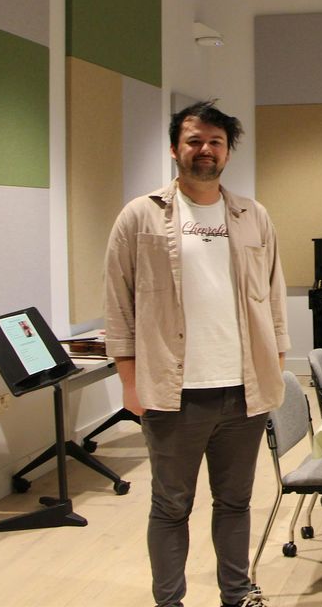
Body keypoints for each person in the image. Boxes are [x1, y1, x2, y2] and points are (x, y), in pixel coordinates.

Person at [104, 100, 289, 607]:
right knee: (171, 507)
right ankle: (170, 602)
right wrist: (129, 382)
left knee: (235, 502)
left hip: (243, 391)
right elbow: (118, 305)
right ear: (174, 149)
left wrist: (274, 365)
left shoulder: (253, 215)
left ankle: (237, 593)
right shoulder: (140, 215)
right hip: (173, 393)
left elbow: (273, 296)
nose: (205, 149)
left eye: (215, 142)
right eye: (194, 141)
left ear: (227, 152)